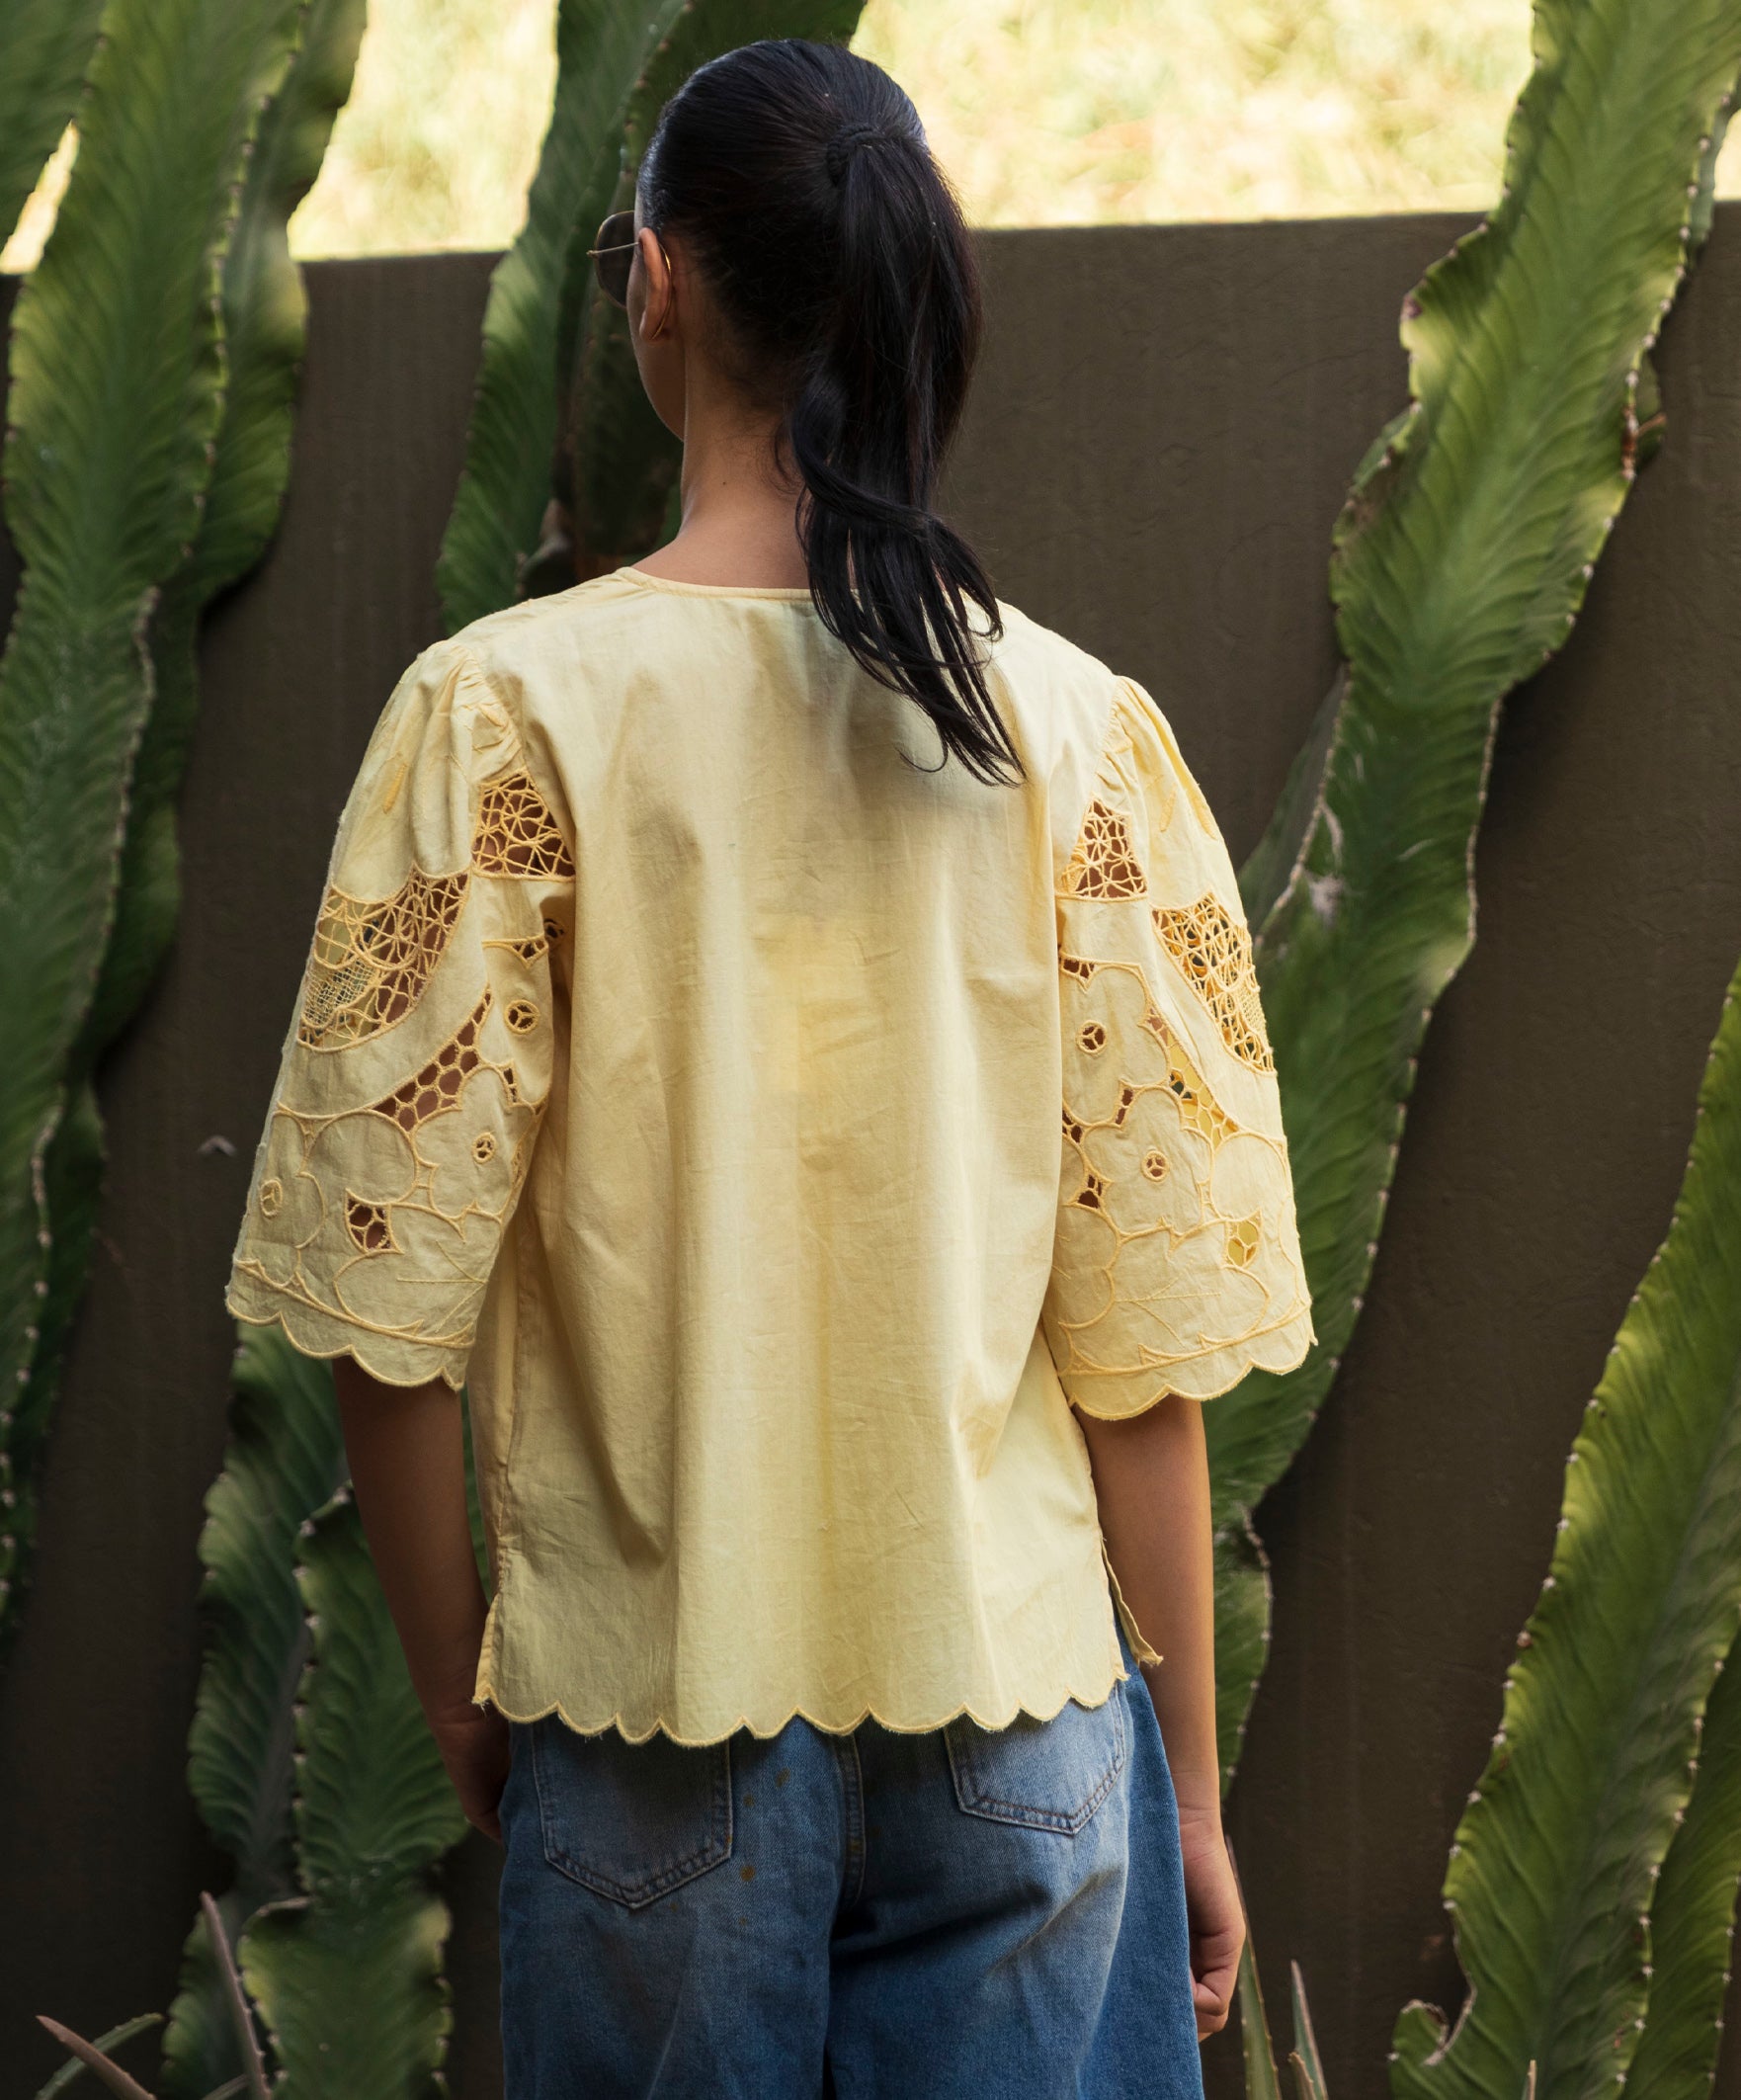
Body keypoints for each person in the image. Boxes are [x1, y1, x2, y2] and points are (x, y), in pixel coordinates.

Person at [225, 35, 1313, 2100]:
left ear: (651, 280)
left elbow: (384, 1322)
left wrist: (473, 1694)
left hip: (645, 1729)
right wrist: (1183, 1785)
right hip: (1028, 1721)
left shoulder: (500, 720)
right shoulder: (1073, 734)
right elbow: (1136, 1344)